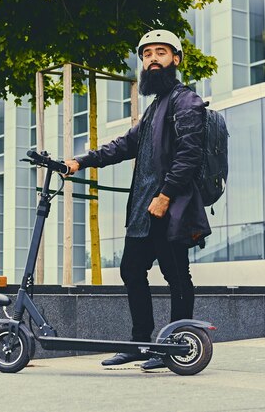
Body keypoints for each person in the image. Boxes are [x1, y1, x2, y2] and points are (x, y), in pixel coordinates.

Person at [65, 29, 211, 371]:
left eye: (161, 52)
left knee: (177, 277)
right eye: (147, 55)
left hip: (169, 208)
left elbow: (189, 156)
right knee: (131, 270)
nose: (152, 59)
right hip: (144, 212)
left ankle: (175, 346)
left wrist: (165, 195)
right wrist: (80, 161)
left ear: (175, 59)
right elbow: (123, 146)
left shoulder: (184, 101)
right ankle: (140, 343)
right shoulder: (154, 109)